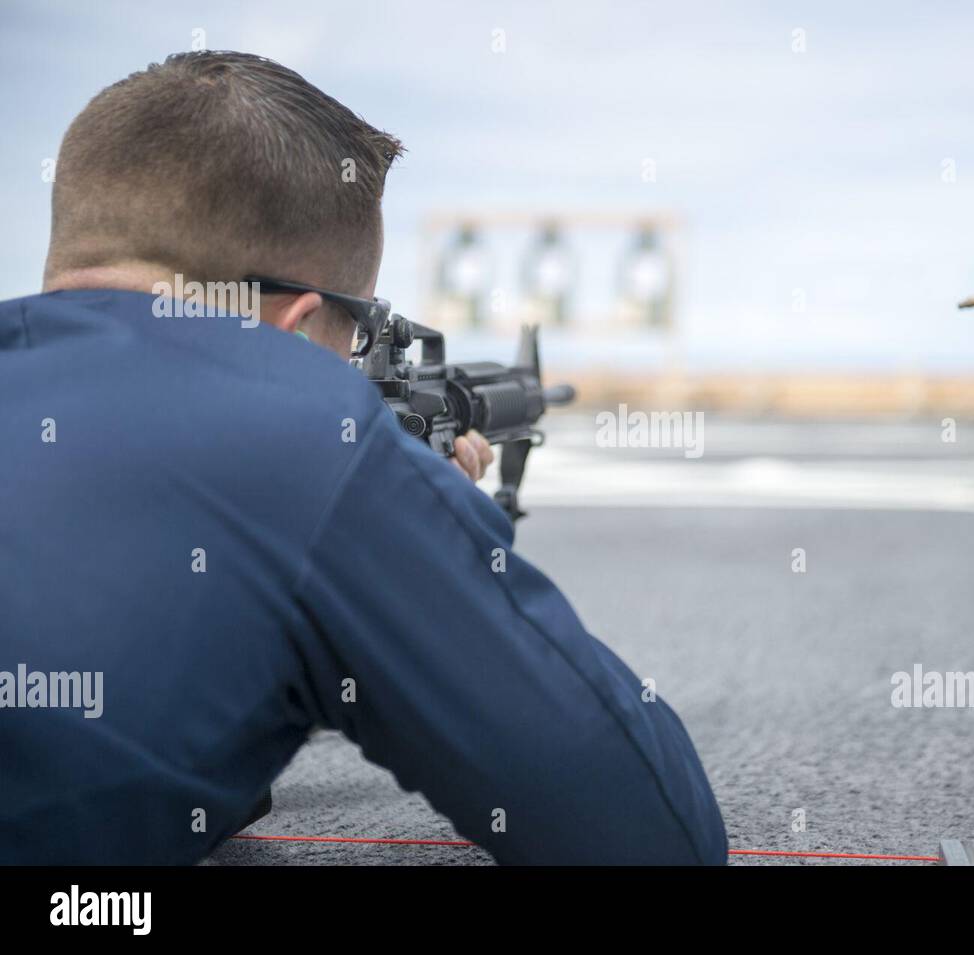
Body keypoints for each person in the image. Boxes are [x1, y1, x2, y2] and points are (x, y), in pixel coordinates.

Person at [0, 51, 727, 865]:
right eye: (356, 330)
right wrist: (432, 542)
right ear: (299, 323)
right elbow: (649, 837)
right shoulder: (307, 437)